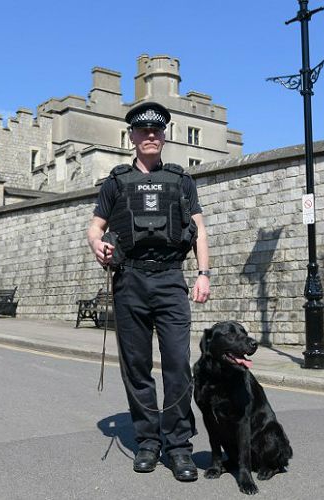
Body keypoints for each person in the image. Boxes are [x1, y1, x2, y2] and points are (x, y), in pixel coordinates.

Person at [87, 101, 211, 482]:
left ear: (165, 136)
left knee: (178, 367)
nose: (151, 136)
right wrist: (97, 246)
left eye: (157, 130)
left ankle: (178, 447)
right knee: (137, 368)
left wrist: (204, 273)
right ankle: (147, 442)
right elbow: (94, 227)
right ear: (132, 137)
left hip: (171, 280)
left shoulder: (181, 180)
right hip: (130, 282)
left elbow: (200, 230)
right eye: (143, 131)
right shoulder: (116, 182)